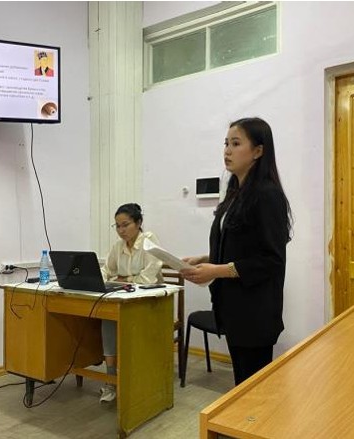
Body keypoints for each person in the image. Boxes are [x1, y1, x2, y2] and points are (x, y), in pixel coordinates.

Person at [181, 117, 292, 386]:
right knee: (241, 384)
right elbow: (241, 247)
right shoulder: (235, 194)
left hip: (254, 312)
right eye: (226, 144)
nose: (227, 151)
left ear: (258, 151)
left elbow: (271, 260)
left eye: (236, 143)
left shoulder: (268, 195)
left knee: (252, 389)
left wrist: (216, 270)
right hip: (233, 309)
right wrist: (205, 259)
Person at [98, 203, 163, 402]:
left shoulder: (149, 240)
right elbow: (106, 270)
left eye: (125, 225)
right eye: (117, 226)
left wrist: (123, 279)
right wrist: (97, 278)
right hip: (125, 301)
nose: (121, 230)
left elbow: (147, 279)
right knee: (108, 318)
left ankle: (138, 380)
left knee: (124, 322)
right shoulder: (118, 246)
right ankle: (111, 380)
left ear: (139, 222)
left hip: (151, 303)